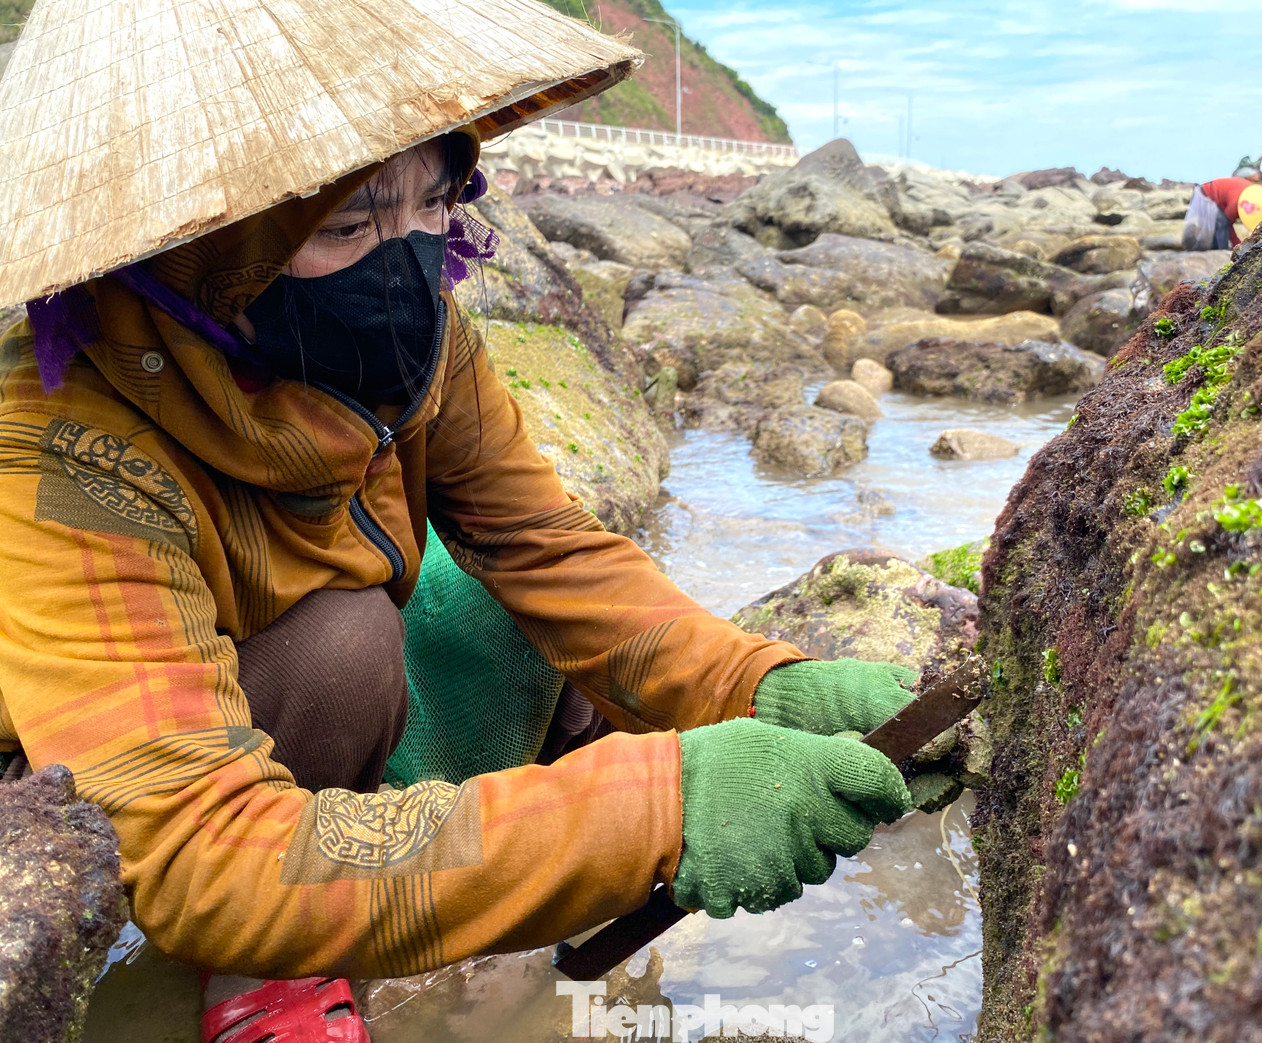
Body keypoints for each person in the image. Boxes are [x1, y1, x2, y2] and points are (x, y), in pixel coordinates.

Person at [0, 3, 919, 1042]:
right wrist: (652, 810)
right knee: (346, 645)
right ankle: (267, 964)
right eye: (346, 224)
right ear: (204, 250)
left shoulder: (423, 347)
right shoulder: (58, 446)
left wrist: (761, 687)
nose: (403, 260)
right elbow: (195, 847)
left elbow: (549, 547)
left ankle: (456, 849)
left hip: (320, 666)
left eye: (431, 202)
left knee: (500, 609)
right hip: (131, 738)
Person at [1181, 176, 1262, 251]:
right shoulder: (1236, 203)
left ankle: (1217, 249)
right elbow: (1227, 225)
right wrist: (1237, 246)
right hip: (1206, 194)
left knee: (1220, 225)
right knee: (1222, 222)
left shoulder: (1253, 195)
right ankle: (1222, 253)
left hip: (1221, 199)